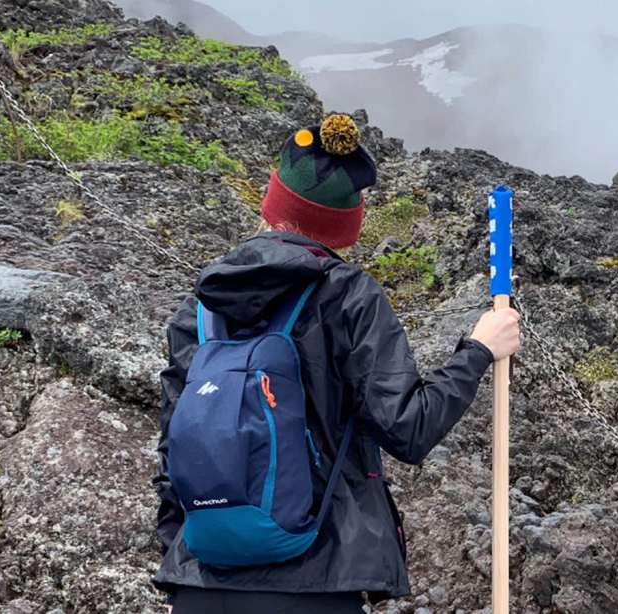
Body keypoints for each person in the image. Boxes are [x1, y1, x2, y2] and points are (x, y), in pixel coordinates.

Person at [151, 113, 521, 613]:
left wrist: (181, 558)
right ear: (346, 225)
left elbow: (175, 449)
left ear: (273, 196)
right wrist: (478, 351)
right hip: (317, 583)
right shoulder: (348, 295)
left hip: (200, 585)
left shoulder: (201, 307)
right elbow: (408, 428)